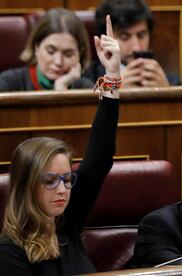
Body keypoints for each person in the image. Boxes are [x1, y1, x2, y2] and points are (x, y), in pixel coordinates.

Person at [0, 15, 121, 275]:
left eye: (67, 179)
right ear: (26, 185)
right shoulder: (9, 252)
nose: (63, 189)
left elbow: (99, 158)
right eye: (51, 180)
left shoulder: (66, 222)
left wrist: (112, 76)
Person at [84, 0, 181, 88]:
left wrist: (167, 93)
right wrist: (115, 89)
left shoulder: (170, 82)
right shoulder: (88, 80)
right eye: (124, 37)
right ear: (105, 39)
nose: (136, 47)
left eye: (141, 35)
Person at [0, 8, 95, 92]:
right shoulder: (9, 82)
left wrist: (61, 89)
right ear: (36, 47)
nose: (58, 62)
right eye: (51, 52)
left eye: (68, 54)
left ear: (80, 53)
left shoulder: (85, 88)